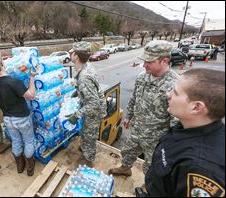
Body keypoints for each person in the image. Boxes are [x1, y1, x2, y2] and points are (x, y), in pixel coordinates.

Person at [145, 68, 225, 197]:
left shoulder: (200, 168)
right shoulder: (187, 125)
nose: (168, 94)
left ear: (196, 107)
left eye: (175, 92)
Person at [108, 40, 179, 177]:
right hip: (137, 129)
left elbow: (176, 121)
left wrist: (170, 143)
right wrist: (128, 116)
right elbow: (134, 98)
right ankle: (125, 168)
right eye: (144, 61)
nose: (144, 65)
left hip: (156, 137)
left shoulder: (175, 85)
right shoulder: (142, 77)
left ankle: (149, 184)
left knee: (152, 163)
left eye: (150, 62)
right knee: (128, 151)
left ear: (164, 61)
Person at [0, 48, 37, 176]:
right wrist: (31, 78)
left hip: (8, 119)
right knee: (29, 140)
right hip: (22, 118)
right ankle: (30, 167)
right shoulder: (14, 82)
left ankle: (19, 165)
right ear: (1, 63)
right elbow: (31, 95)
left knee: (16, 141)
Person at [67, 41, 107, 167]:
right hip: (91, 104)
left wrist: (77, 115)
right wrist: (78, 93)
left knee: (90, 134)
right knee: (85, 131)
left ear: (77, 57)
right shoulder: (85, 66)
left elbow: (93, 104)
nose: (70, 53)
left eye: (72, 52)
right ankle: (85, 149)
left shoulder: (84, 76)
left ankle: (88, 159)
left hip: (94, 110)